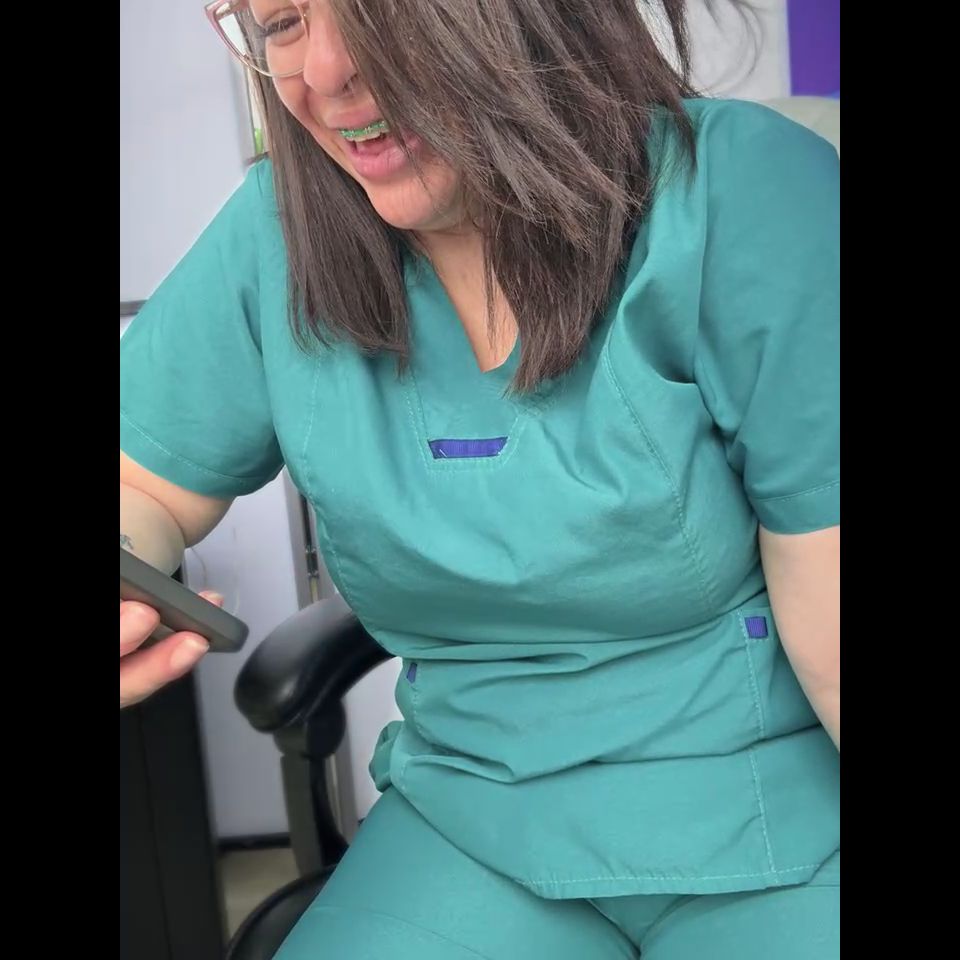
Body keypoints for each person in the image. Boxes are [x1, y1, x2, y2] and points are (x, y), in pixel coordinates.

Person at [119, 1, 840, 956]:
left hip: (761, 813)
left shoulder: (740, 191)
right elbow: (146, 487)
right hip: (469, 822)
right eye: (283, 21)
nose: (325, 73)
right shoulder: (278, 237)